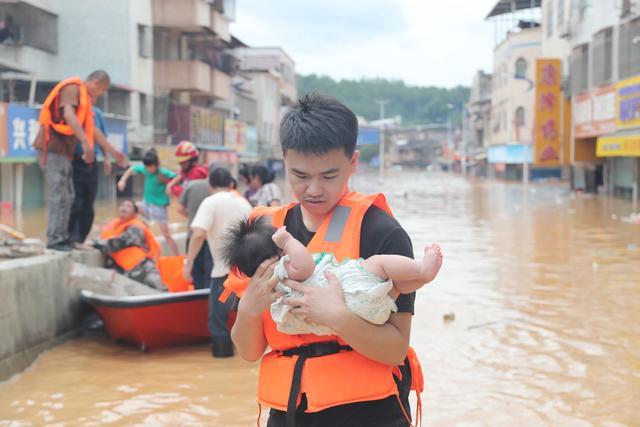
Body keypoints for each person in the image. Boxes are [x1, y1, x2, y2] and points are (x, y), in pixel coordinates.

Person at [222, 93, 425, 426]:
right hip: (289, 414)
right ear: (284, 160)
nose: (313, 189)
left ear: (353, 163)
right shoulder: (262, 233)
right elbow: (248, 351)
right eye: (300, 175)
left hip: (371, 415)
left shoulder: (381, 233)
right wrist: (248, 309)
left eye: (329, 176)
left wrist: (336, 315)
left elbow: (395, 349)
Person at [223, 216, 443, 335]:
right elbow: (306, 266)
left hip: (364, 314)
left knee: (392, 287)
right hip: (353, 301)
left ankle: (423, 277)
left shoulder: (267, 290)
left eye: (328, 175)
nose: (314, 188)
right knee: (379, 267)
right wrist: (288, 241)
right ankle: (421, 272)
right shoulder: (282, 269)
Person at [33, 70, 110, 251]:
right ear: (96, 83)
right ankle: (54, 239)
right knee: (59, 195)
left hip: (64, 152)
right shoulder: (72, 89)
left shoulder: (85, 102)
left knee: (69, 196)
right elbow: (68, 114)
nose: (100, 95)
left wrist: (108, 150)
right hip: (51, 149)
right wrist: (84, 141)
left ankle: (63, 237)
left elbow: (95, 131)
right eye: (102, 90)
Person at [182, 167, 252, 358]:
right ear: (231, 184)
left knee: (218, 323)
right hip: (247, 277)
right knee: (245, 318)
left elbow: (198, 234)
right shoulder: (243, 203)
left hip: (225, 278)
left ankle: (223, 363)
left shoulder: (210, 202)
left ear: (210, 185)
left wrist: (188, 264)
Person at [68, 105, 128, 249]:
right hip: (73, 157)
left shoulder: (97, 113)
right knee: (76, 199)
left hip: (90, 159)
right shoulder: (73, 110)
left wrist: (107, 158)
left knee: (89, 200)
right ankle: (72, 237)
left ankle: (80, 238)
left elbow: (100, 136)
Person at [93, 200, 166, 291]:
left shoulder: (137, 227)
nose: (124, 208)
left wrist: (95, 243)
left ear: (135, 214)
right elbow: (103, 238)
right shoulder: (114, 226)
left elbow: (120, 242)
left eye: (128, 206)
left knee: (158, 288)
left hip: (143, 268)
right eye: (122, 205)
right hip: (122, 269)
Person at [117, 149, 179, 256]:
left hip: (159, 206)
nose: (148, 169)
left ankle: (178, 256)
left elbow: (178, 176)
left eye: (150, 167)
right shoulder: (145, 170)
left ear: (156, 165)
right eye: (146, 167)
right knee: (131, 210)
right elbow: (131, 169)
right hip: (146, 204)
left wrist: (169, 185)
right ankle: (125, 235)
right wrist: (122, 180)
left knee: (166, 235)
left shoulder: (162, 172)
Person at [177, 173, 213, 290]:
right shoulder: (221, 190)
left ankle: (198, 295)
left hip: (193, 235)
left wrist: (194, 218)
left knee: (196, 273)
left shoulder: (191, 185)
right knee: (210, 273)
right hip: (212, 237)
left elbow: (180, 209)